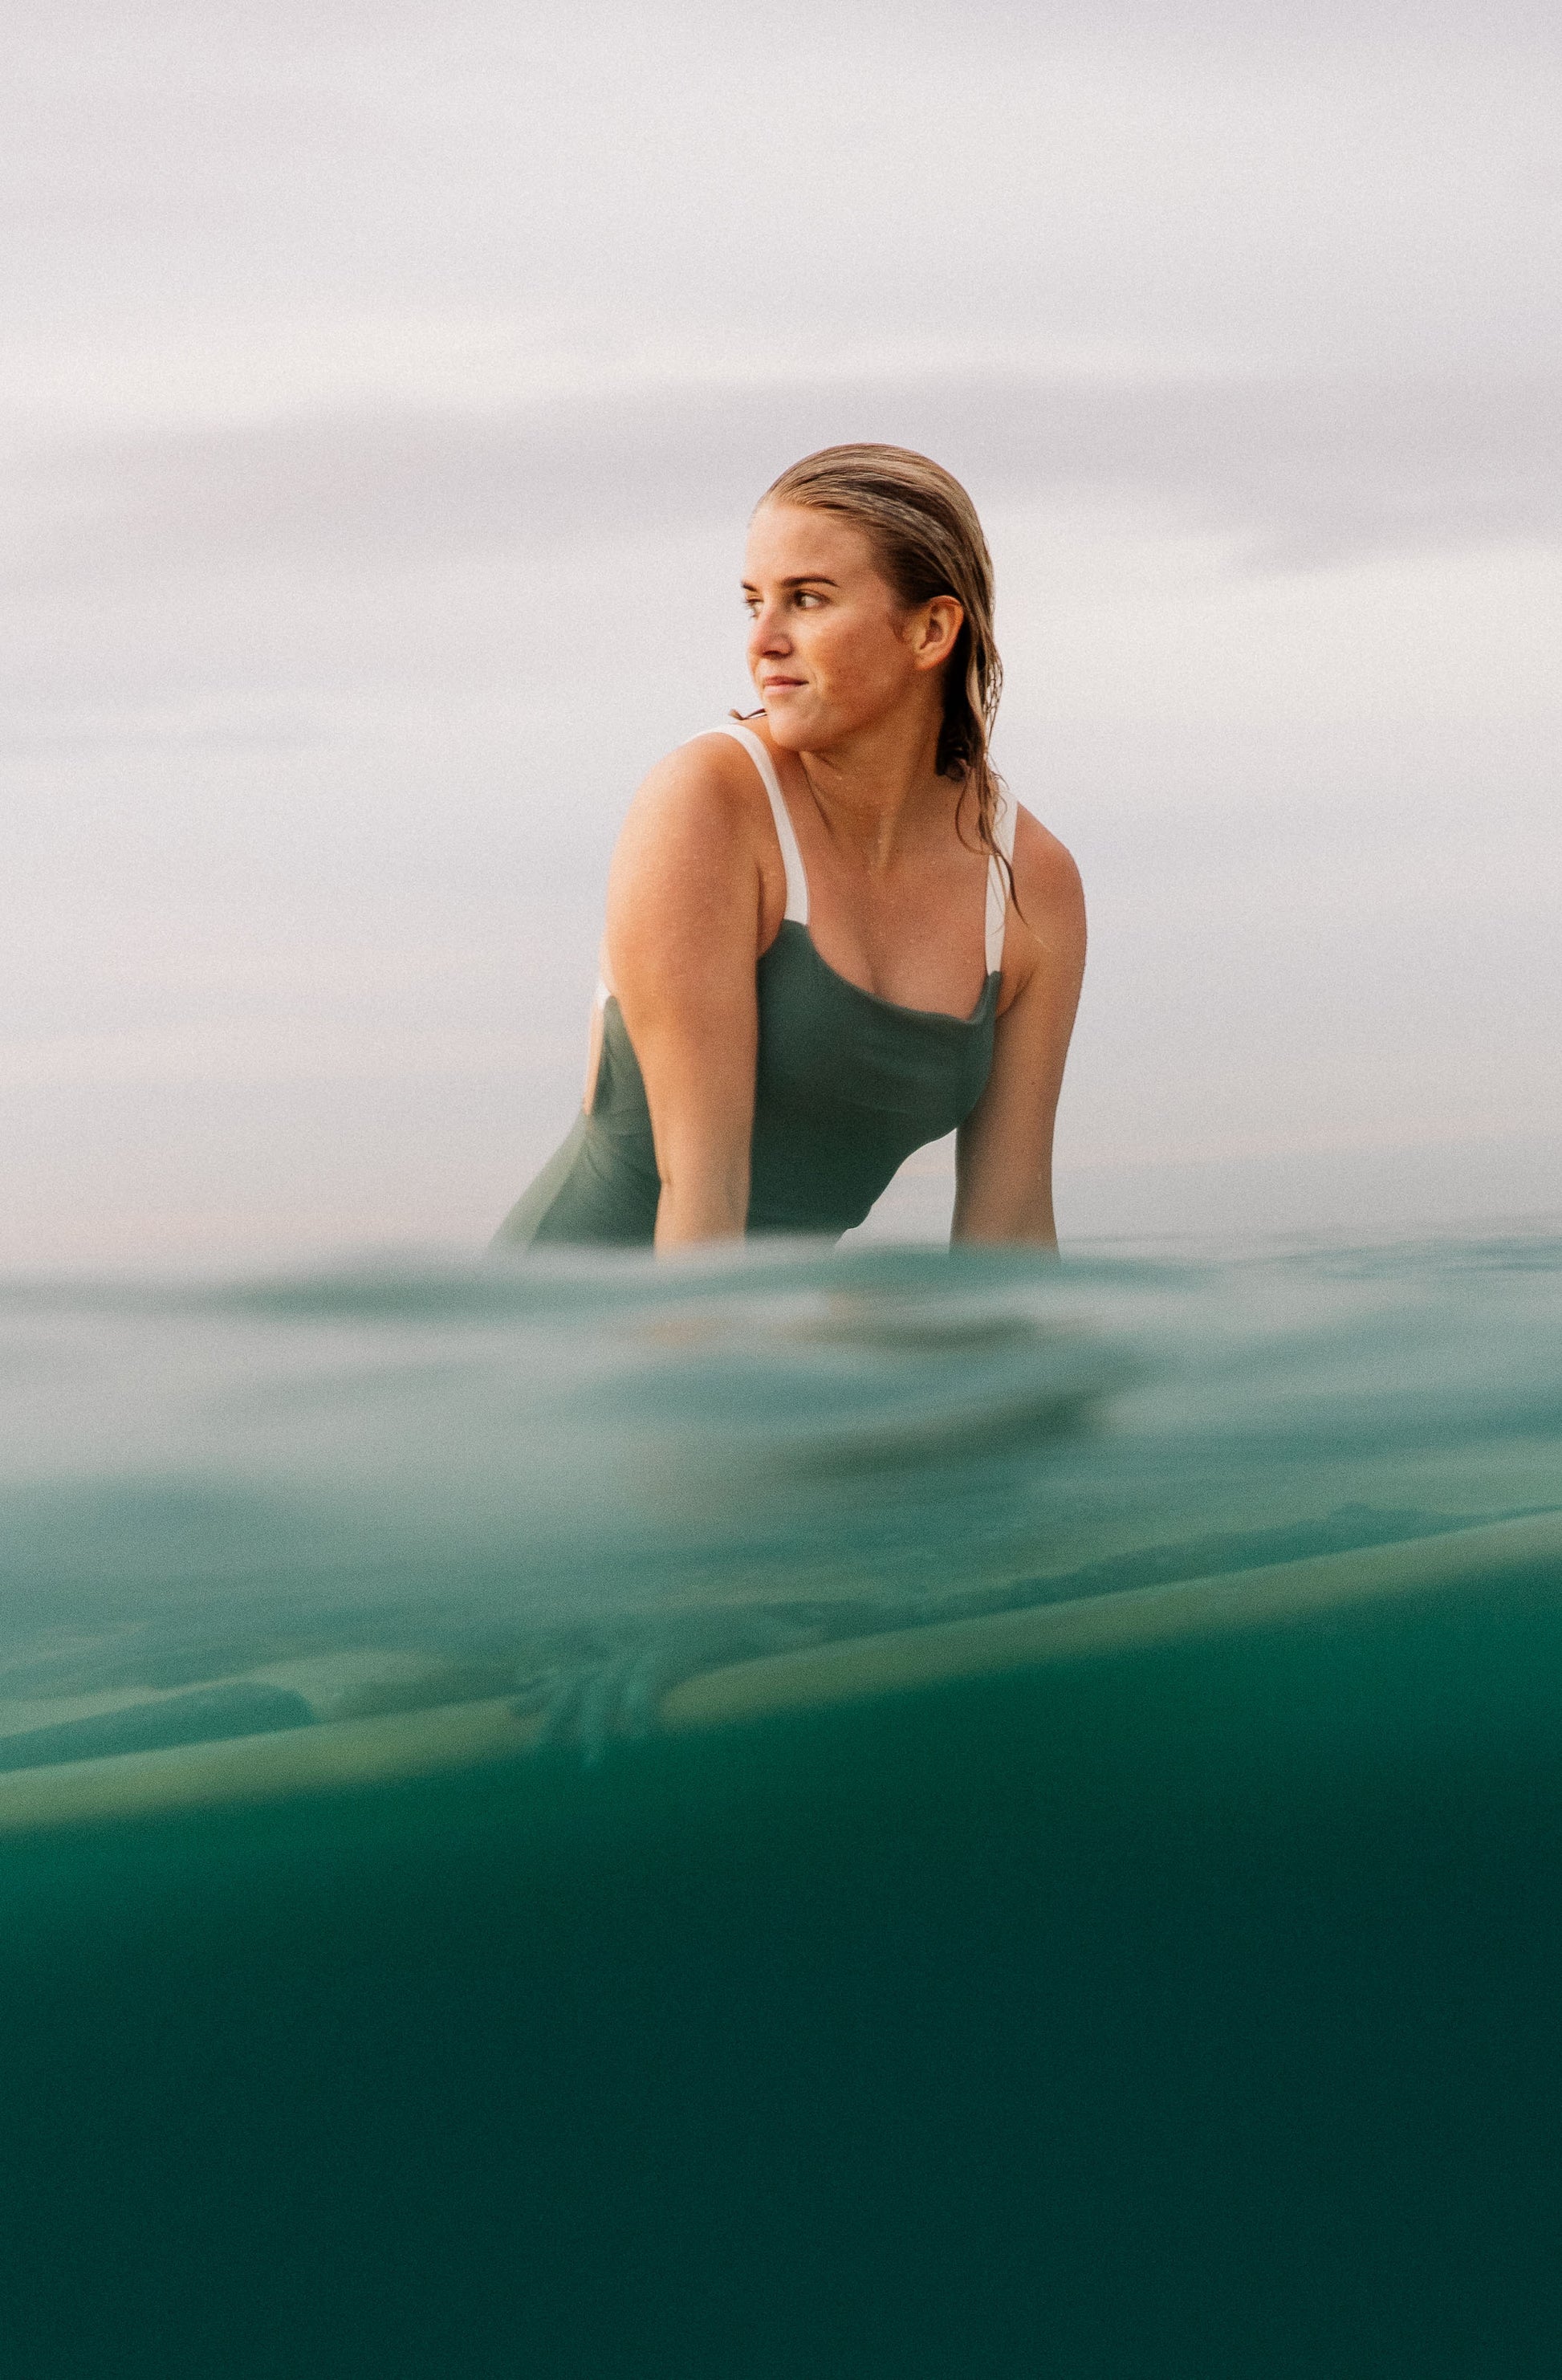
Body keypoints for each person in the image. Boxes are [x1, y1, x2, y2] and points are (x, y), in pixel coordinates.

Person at [495, 443, 1085, 1254]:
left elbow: (1010, 1231)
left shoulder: (1030, 883)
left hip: (769, 1322)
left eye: (806, 599)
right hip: (585, 1315)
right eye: (753, 604)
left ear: (930, 630)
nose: (763, 640)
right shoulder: (708, 802)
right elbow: (702, 1203)